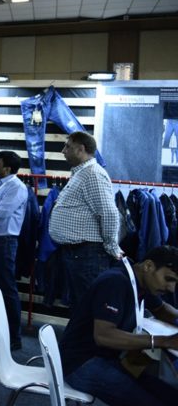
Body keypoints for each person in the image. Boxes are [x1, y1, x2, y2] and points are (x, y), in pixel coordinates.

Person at [60, 246, 178, 406]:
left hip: (111, 357)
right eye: (169, 279)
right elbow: (104, 336)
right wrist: (163, 341)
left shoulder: (140, 281)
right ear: (148, 266)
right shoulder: (115, 282)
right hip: (82, 363)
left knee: (171, 396)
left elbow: (162, 309)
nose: (171, 288)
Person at [49, 131, 122, 311]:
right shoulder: (82, 173)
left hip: (88, 255)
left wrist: (111, 247)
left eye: (68, 146)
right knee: (80, 307)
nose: (63, 151)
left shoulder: (93, 174)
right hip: (79, 254)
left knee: (88, 308)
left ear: (80, 149)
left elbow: (108, 213)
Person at [0, 150, 27, 350]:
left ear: (7, 168)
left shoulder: (16, 187)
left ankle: (14, 337)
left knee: (6, 289)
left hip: (4, 242)